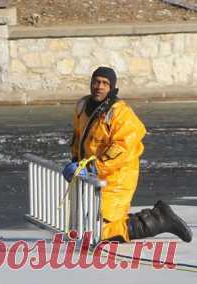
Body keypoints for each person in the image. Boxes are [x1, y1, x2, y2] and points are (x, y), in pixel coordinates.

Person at [63, 66, 192, 243]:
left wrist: (93, 167)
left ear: (112, 88)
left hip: (118, 178)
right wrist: (76, 162)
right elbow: (79, 137)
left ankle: (160, 220)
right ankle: (157, 216)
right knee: (89, 224)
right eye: (96, 82)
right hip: (96, 177)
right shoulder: (83, 106)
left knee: (100, 231)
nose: (99, 86)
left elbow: (123, 147)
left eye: (105, 83)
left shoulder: (121, 113)